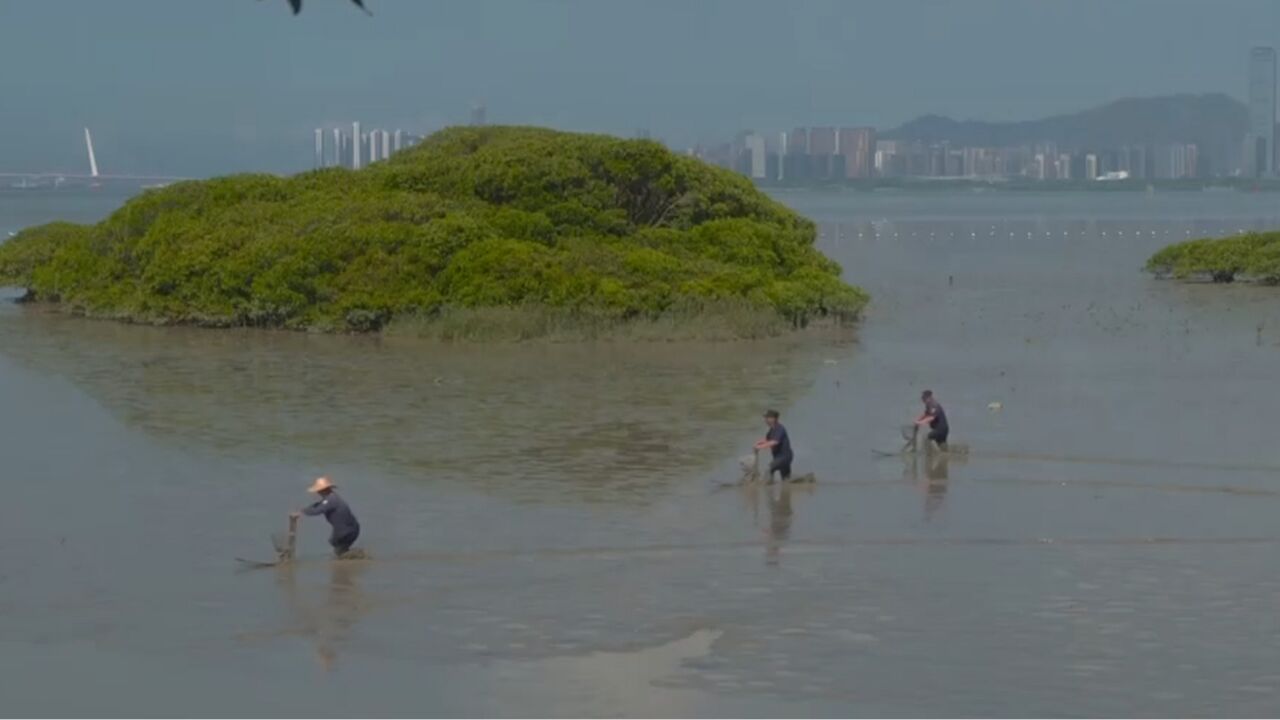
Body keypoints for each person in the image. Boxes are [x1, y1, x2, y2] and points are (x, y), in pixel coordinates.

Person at [292, 476, 361, 557]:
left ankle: (351, 560)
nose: (318, 492)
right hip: (352, 529)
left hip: (346, 531)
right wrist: (303, 510)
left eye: (319, 490)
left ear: (323, 490)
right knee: (338, 546)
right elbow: (317, 505)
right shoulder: (331, 497)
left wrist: (302, 512)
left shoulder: (331, 500)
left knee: (336, 546)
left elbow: (317, 510)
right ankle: (352, 560)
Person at [754, 409, 794, 483]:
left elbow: (775, 442)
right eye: (765, 418)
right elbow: (767, 440)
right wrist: (758, 443)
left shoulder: (780, 428)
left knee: (769, 468)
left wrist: (761, 447)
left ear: (773, 419)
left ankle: (768, 489)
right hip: (779, 457)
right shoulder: (771, 430)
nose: (765, 420)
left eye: (767, 418)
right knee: (786, 481)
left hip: (784, 457)